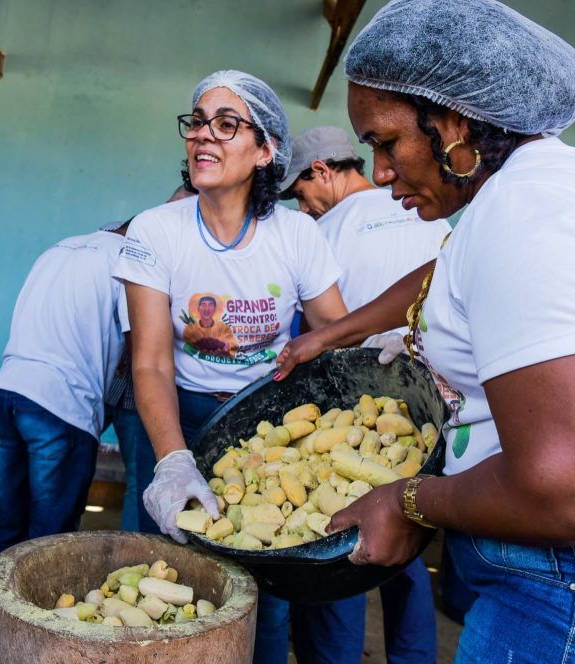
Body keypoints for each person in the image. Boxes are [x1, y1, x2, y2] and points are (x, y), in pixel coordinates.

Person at [274, 1, 575, 661]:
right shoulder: (532, 191)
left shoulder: (528, 213)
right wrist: (329, 335)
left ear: (453, 124)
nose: (382, 174)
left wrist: (411, 500)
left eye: (386, 143)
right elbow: (439, 271)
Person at [113, 70, 347, 664]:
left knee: (260, 579)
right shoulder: (154, 231)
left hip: (264, 424)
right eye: (197, 122)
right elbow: (151, 365)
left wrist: (385, 348)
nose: (202, 137)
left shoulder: (296, 235)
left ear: (266, 151)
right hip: (177, 413)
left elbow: (334, 335)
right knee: (156, 566)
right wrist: (172, 459)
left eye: (226, 124)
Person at [279, 126, 450, 664]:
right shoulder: (432, 215)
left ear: (323, 172)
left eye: (302, 193)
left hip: (356, 405)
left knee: (344, 538)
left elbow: (308, 325)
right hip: (433, 403)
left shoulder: (325, 231)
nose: (303, 207)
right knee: (409, 534)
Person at [0, 227, 127, 571]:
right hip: (62, 404)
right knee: (50, 534)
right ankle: (32, 622)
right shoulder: (129, 260)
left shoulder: (60, 248)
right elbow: (139, 350)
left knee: (7, 517)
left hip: (8, 390)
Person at [103, 185, 196, 531]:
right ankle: (135, 545)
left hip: (145, 386)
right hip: (136, 392)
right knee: (142, 483)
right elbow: (139, 348)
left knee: (145, 481)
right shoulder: (149, 248)